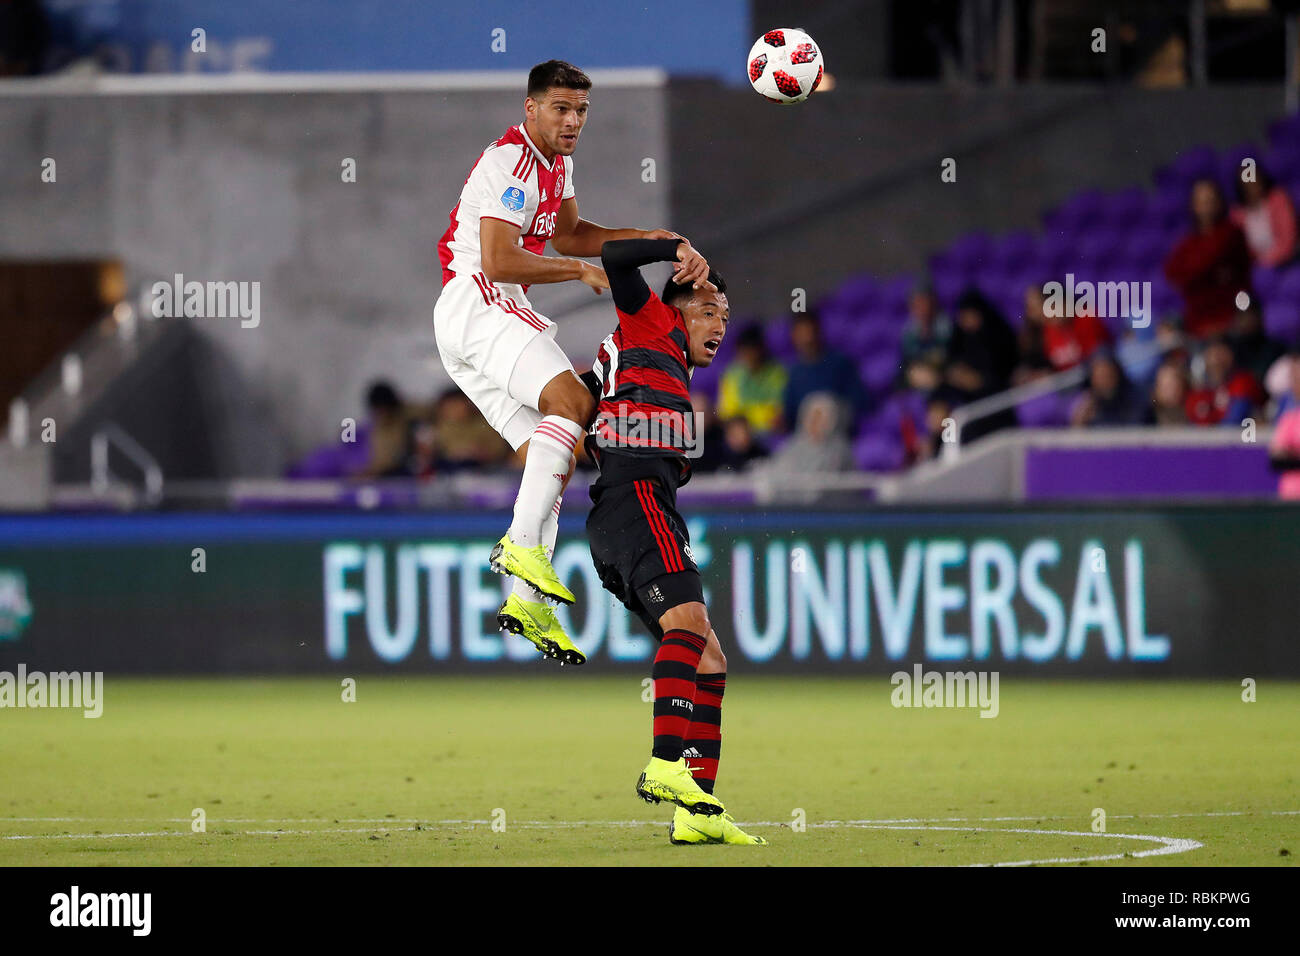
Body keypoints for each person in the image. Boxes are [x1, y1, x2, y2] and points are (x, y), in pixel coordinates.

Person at [433, 60, 704, 665]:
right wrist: (579, 273)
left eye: (580, 109)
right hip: (479, 298)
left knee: (549, 454)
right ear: (530, 108)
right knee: (575, 403)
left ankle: (525, 598)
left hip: (467, 322)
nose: (572, 120)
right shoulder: (510, 162)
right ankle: (522, 549)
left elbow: (573, 233)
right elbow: (501, 259)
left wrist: (658, 241)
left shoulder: (558, 166)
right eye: (560, 107)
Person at [582, 237, 765, 846]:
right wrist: (674, 246)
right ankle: (665, 762)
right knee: (689, 623)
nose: (720, 325)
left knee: (710, 661)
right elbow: (613, 258)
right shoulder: (648, 322)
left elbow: (597, 399)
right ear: (678, 308)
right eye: (710, 311)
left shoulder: (666, 367)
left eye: (726, 319)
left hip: (641, 510)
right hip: (634, 503)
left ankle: (697, 811)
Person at [1164, 178, 1253, 339]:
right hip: (1198, 320)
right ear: (1193, 206)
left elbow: (1208, 260)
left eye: (1210, 200)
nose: (1206, 207)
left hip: (1231, 317)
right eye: (1201, 202)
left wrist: (1194, 272)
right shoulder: (1188, 242)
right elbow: (1173, 272)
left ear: (1220, 202)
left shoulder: (1232, 233)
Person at [783, 311, 867, 431]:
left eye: (810, 332)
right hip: (806, 437)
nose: (808, 339)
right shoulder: (794, 372)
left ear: (818, 332)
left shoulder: (839, 363)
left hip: (837, 433)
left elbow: (859, 402)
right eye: (802, 334)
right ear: (794, 337)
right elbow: (790, 415)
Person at [717, 324, 787, 437]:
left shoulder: (777, 373)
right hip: (743, 435)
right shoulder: (733, 376)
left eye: (753, 350)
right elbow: (728, 414)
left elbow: (778, 411)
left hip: (770, 433)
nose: (749, 356)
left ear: (761, 349)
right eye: (745, 351)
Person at [1185, 337, 1265, 426]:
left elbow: (1235, 420)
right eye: (1212, 354)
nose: (1216, 360)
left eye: (1220, 354)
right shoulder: (1200, 391)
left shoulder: (1242, 381)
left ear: (1230, 355)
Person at [1230, 165, 1297, 269]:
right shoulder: (1237, 214)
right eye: (1247, 183)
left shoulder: (1278, 199)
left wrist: (1265, 262)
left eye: (1255, 181)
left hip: (1285, 262)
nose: (1252, 186)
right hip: (1255, 268)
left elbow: (1287, 242)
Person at [1069, 351, 1148, 427]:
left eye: (1108, 375)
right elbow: (1076, 435)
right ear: (1092, 379)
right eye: (1100, 376)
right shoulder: (1088, 404)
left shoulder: (1134, 399)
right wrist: (1080, 421)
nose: (1104, 380)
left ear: (1117, 374)